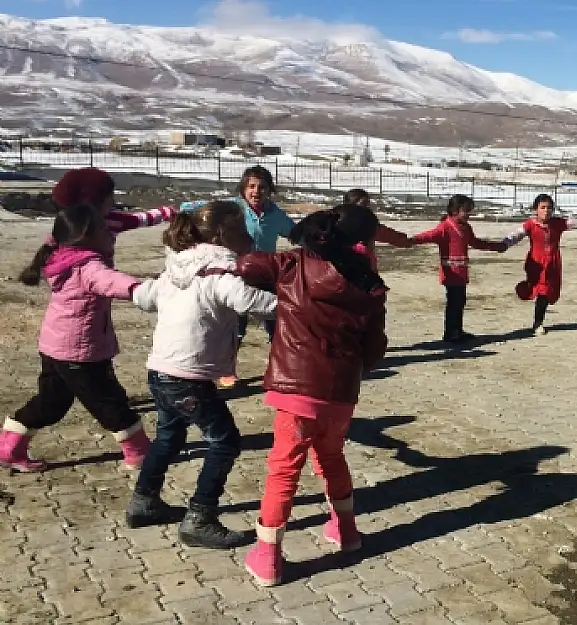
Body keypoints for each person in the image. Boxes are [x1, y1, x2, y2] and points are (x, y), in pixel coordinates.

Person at [237, 206, 390, 587]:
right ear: (366, 242)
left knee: (284, 468)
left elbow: (246, 265)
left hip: (297, 389)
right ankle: (346, 531)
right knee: (332, 457)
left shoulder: (293, 264)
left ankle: (269, 556)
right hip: (340, 394)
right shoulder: (370, 285)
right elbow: (375, 348)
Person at [126, 201, 275, 549]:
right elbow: (254, 302)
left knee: (168, 438)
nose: (249, 238)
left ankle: (143, 503)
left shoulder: (175, 270)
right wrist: (300, 304)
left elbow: (145, 299)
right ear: (223, 235)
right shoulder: (220, 274)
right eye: (242, 231)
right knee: (225, 442)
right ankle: (200, 518)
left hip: (160, 371)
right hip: (187, 378)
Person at [0, 204, 147, 473]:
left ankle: (10, 446)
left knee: (52, 402)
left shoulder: (59, 253)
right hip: (81, 352)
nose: (109, 233)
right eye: (103, 229)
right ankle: (138, 451)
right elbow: (110, 281)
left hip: (56, 346)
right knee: (108, 400)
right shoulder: (88, 264)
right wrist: (141, 289)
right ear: (86, 236)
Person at [182, 166, 295, 387]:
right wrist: (186, 210)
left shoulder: (275, 214)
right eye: (251, 186)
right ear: (243, 188)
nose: (256, 191)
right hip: (236, 274)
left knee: (277, 322)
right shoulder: (233, 209)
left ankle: (281, 366)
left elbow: (295, 233)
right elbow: (197, 209)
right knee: (235, 326)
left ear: (269, 190)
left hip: (265, 274)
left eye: (262, 187)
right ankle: (227, 369)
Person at [500, 194, 577, 335]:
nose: (546, 211)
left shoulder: (557, 224)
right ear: (535, 209)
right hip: (536, 264)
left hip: (553, 264)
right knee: (541, 292)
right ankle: (538, 323)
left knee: (548, 293)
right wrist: (504, 244)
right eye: (542, 207)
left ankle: (537, 315)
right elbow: (515, 236)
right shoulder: (530, 225)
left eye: (549, 208)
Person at [410, 195, 507, 343]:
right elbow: (429, 236)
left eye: (470, 210)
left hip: (461, 272)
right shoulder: (445, 227)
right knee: (454, 302)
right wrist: (410, 240)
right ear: (455, 210)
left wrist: (494, 247)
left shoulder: (466, 227)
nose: (469, 214)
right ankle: (450, 333)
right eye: (466, 210)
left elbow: (475, 242)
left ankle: (457, 330)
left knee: (460, 301)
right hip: (450, 273)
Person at [49, 167, 177, 264]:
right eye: (109, 197)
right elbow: (139, 219)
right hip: (98, 280)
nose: (113, 202)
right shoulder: (110, 222)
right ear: (93, 202)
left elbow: (140, 219)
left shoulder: (65, 225)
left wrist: (165, 212)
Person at [342, 189, 413, 271]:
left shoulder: (333, 222)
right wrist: (406, 241)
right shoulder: (366, 223)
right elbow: (387, 234)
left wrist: (405, 240)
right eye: (364, 204)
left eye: (368, 204)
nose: (368, 208)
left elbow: (387, 234)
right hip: (364, 272)